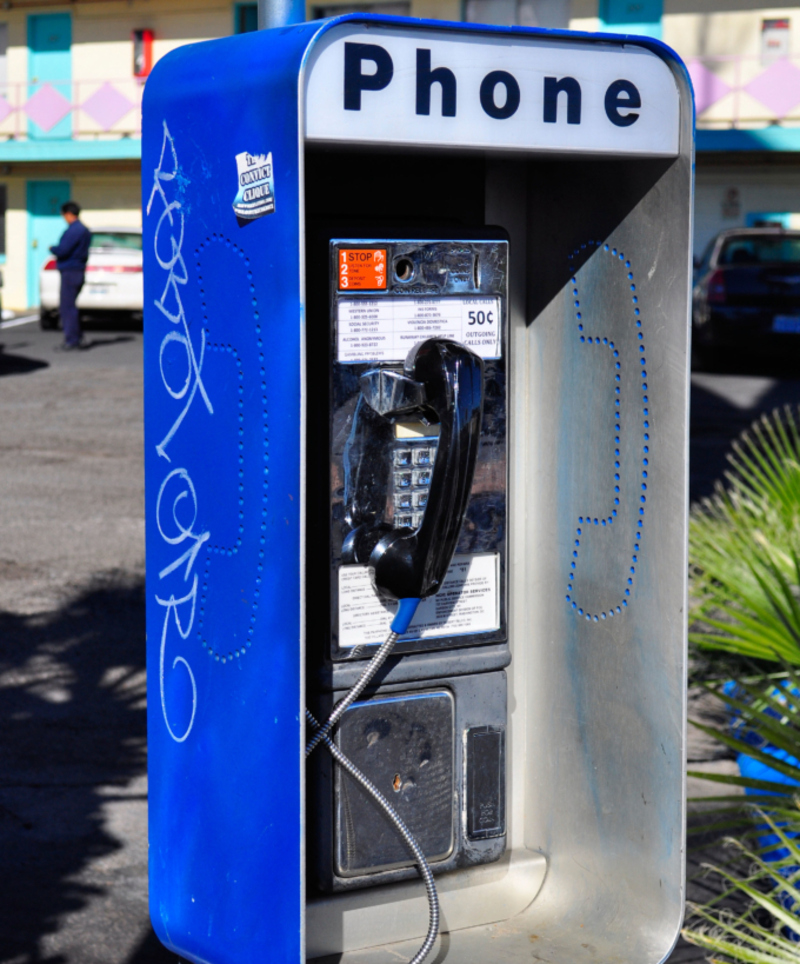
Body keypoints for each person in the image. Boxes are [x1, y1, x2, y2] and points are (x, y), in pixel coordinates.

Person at [49, 201, 91, 350]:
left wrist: (53, 248)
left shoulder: (74, 230)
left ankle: (72, 340)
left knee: (67, 307)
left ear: (68, 214)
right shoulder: (84, 230)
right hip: (78, 270)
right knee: (71, 306)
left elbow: (63, 250)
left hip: (71, 271)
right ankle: (77, 336)